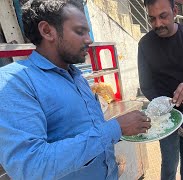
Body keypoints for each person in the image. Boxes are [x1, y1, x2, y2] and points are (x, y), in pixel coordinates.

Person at [0, 0, 151, 179]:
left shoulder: (75, 74)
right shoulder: (15, 81)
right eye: (80, 32)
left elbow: (87, 132)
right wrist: (115, 128)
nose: (89, 39)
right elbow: (31, 167)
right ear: (47, 31)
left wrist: (117, 135)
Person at [137, 0, 183, 179]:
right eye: (152, 19)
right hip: (165, 115)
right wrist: (163, 104)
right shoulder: (145, 44)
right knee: (170, 160)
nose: (158, 24)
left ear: (175, 11)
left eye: (163, 16)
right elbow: (146, 84)